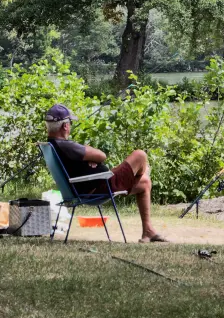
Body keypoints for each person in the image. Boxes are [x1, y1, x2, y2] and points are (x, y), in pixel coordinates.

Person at [44, 103, 167, 243]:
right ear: (65, 126)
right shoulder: (66, 146)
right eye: (70, 123)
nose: (70, 126)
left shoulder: (51, 145)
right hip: (99, 187)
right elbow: (102, 155)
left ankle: (148, 231)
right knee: (140, 155)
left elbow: (91, 157)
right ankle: (142, 172)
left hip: (88, 186)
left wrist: (88, 159)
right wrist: (91, 157)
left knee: (145, 183)